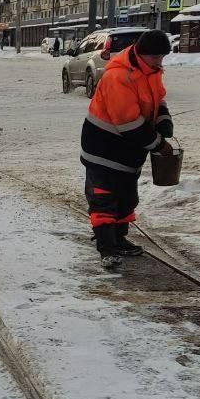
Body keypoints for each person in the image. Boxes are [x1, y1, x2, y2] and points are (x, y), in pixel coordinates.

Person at [79, 30, 176, 269]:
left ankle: (119, 239)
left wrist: (163, 118)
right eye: (155, 57)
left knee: (126, 197)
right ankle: (106, 247)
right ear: (141, 54)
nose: (159, 62)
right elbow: (128, 123)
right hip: (103, 148)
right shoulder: (119, 77)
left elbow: (158, 98)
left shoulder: (150, 71)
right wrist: (159, 144)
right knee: (103, 198)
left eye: (162, 57)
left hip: (128, 150)